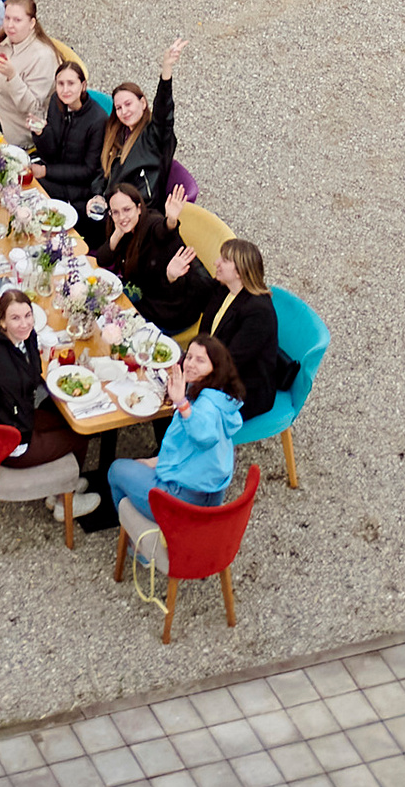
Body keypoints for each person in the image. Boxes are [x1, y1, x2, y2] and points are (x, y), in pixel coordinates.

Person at [106, 341, 247, 593]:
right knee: (139, 464)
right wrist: (154, 462)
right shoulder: (221, 398)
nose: (190, 363)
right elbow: (191, 448)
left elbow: (203, 434)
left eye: (200, 360)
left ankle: (138, 545)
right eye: (189, 356)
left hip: (179, 503)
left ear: (215, 366)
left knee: (116, 470)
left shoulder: (203, 407)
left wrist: (181, 402)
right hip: (209, 500)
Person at [0, 287, 97, 508]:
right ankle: (63, 500)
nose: (24, 323)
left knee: (70, 416)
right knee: (81, 433)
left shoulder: (28, 337)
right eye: (15, 318)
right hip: (12, 442)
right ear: (2, 323)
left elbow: (32, 374)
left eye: (27, 315)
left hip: (24, 416)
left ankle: (64, 488)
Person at [25, 56, 115, 233]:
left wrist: (46, 172)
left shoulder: (98, 120)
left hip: (79, 186)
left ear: (83, 85)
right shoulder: (55, 103)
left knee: (31, 199)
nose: (65, 90)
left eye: (71, 84)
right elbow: (49, 154)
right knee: (22, 183)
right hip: (55, 171)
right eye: (60, 84)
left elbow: (89, 170)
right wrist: (41, 134)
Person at [201, 238, 288, 419]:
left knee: (183, 406)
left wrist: (193, 374)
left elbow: (232, 361)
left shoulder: (258, 312)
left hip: (244, 390)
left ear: (240, 272)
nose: (216, 263)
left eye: (224, 261)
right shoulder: (225, 289)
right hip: (215, 368)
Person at [96, 43, 186, 216]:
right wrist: (97, 196)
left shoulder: (154, 135)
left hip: (140, 214)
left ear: (143, 103)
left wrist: (166, 71)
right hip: (110, 208)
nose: (124, 111)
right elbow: (102, 172)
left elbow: (164, 112)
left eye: (128, 104)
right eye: (119, 108)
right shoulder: (117, 135)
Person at [98, 189, 196, 339]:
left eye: (127, 209)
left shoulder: (152, 225)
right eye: (115, 212)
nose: (122, 216)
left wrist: (170, 222)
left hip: (167, 311)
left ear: (138, 208)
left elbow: (162, 232)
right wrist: (118, 232)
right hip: (143, 293)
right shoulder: (126, 229)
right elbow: (102, 259)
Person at [0, 0, 60, 148]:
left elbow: (33, 108)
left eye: (17, 20)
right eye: (7, 18)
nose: (9, 25)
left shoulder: (43, 57)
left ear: (32, 23)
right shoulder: (4, 37)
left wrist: (12, 77)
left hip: (11, 125)